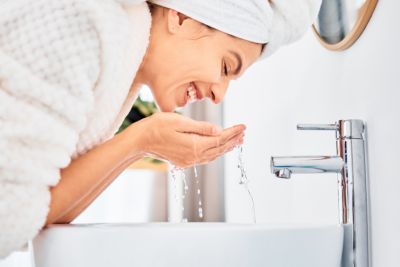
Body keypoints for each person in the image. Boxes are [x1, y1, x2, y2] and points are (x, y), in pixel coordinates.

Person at [0, 0, 321, 258]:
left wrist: (140, 142)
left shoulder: (119, 60)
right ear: (181, 17)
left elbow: (42, 209)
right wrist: (141, 139)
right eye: (226, 67)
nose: (219, 94)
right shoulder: (82, 23)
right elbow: (12, 214)